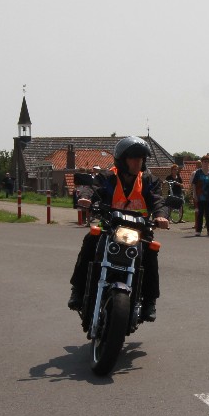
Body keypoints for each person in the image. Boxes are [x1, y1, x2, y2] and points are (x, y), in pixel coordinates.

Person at [67, 136, 171, 326]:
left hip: (139, 230)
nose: (137, 162)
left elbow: (158, 200)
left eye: (140, 159)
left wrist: (161, 216)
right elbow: (93, 188)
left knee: (151, 253)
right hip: (110, 226)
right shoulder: (107, 177)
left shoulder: (149, 181)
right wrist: (86, 198)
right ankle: (78, 290)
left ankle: (149, 302)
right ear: (122, 160)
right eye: (133, 158)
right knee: (90, 240)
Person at [190, 156, 209, 237]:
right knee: (200, 213)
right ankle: (198, 230)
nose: (206, 163)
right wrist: (194, 194)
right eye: (204, 162)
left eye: (207, 162)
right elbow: (194, 184)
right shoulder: (198, 172)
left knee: (208, 213)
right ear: (202, 163)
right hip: (200, 196)